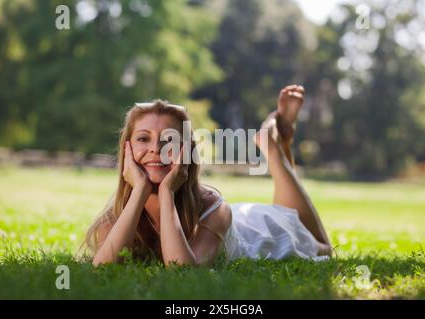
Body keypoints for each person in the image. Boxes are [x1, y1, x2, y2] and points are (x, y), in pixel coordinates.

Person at [84, 84, 332, 267]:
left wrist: (167, 192)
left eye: (169, 140)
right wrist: (139, 191)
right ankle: (278, 144)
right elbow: (103, 267)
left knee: (324, 248)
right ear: (126, 149)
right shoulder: (118, 212)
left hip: (260, 230)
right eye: (143, 138)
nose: (155, 149)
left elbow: (181, 270)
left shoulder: (214, 208)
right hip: (241, 218)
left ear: (186, 151)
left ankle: (272, 145)